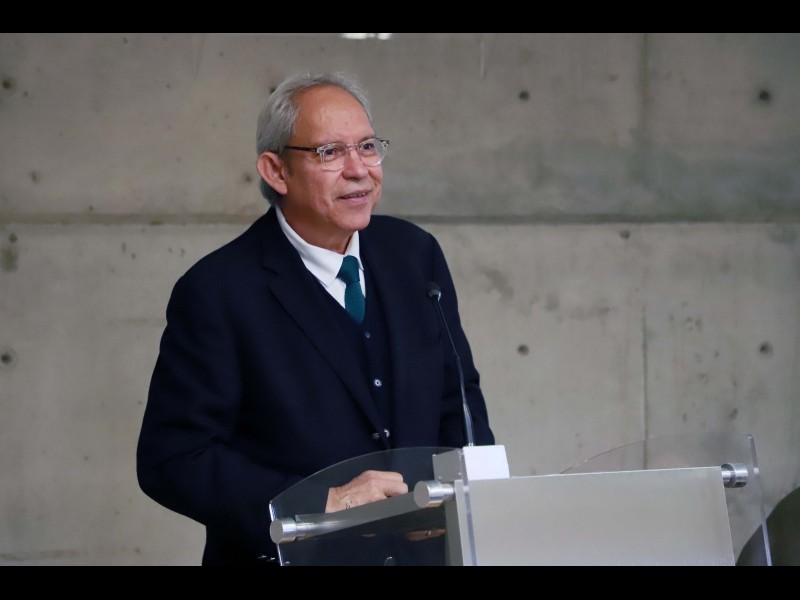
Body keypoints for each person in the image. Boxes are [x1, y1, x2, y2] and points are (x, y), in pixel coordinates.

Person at [136, 71, 495, 566]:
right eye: (330, 152)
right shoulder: (218, 290)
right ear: (276, 170)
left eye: (367, 147)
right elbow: (174, 459)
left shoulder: (415, 255)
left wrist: (459, 502)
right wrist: (316, 503)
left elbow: (460, 403)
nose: (359, 170)